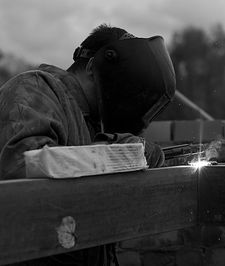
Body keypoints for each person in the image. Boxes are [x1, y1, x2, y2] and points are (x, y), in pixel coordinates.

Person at [0, 24, 175, 265]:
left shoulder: (89, 122)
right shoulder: (35, 89)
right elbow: (25, 170)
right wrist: (122, 152)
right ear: (92, 67)